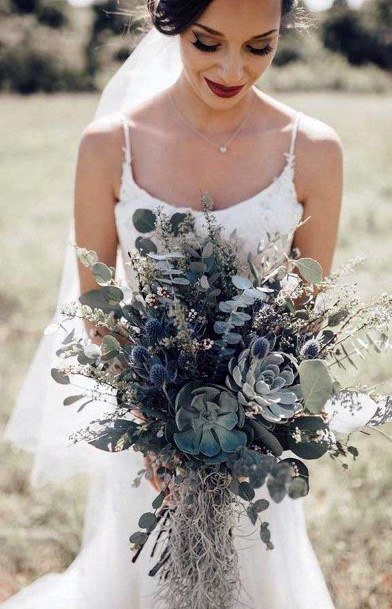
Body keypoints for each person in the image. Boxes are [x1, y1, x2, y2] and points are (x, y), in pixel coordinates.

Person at [2, 0, 343, 607]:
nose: (233, 69)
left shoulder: (314, 149)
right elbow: (98, 308)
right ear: (171, 24)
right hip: (148, 442)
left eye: (259, 47)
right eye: (208, 43)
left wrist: (255, 428)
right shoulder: (111, 145)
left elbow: (306, 315)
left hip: (253, 447)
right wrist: (153, 432)